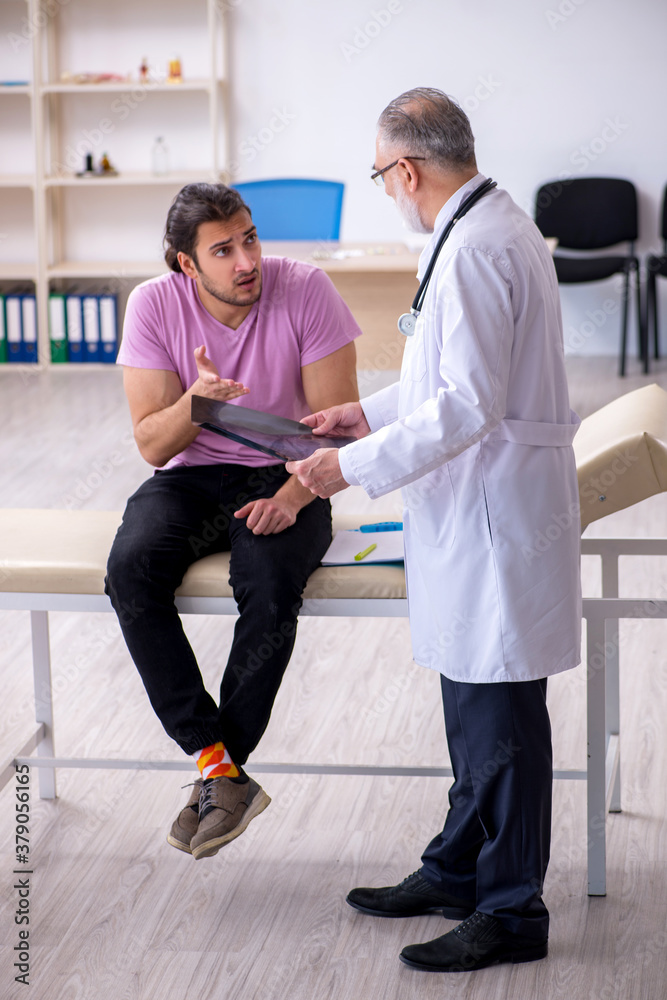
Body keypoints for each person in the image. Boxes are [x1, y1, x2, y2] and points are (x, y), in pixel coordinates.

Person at [287, 88, 581, 973]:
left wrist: (351, 467)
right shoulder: (477, 229)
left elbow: (464, 403)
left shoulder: (478, 247)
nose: (386, 190)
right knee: (470, 700)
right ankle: (456, 868)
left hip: (497, 517)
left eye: (380, 176)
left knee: (499, 714)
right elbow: (440, 371)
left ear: (405, 168)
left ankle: (510, 910)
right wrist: (361, 415)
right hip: (477, 510)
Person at [105, 183, 360, 861]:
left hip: (287, 475)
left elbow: (339, 434)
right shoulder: (154, 304)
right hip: (188, 477)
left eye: (248, 237)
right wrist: (194, 403)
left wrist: (292, 497)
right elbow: (154, 446)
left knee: (269, 578)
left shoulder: (305, 289)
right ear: (187, 264)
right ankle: (216, 763)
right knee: (131, 569)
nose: (245, 259)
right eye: (223, 250)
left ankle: (223, 770)